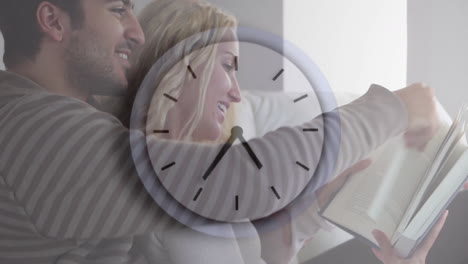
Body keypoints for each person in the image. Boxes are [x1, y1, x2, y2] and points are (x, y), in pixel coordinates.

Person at [0, 0, 440, 263]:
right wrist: (394, 108)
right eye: (117, 8)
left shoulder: (91, 130)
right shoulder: (33, 127)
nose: (133, 30)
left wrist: (305, 213)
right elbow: (244, 179)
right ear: (53, 21)